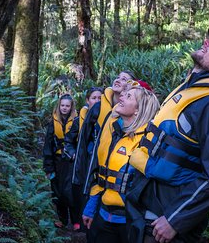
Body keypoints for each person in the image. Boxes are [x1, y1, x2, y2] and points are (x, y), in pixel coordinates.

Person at [125, 25, 209, 243]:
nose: (206, 42)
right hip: (145, 211)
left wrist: (175, 219)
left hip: (165, 222)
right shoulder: (189, 92)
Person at [82, 81, 160, 243]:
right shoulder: (114, 132)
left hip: (130, 222)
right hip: (103, 214)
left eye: (129, 96)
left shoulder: (149, 140)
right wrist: (91, 205)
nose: (122, 97)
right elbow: (102, 172)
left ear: (138, 110)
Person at [65, 71, 136, 199]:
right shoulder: (97, 108)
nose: (118, 80)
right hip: (90, 166)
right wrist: (77, 173)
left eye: (124, 79)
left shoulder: (131, 112)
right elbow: (83, 141)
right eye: (118, 77)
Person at [64, 86, 104, 231]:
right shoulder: (79, 120)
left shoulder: (106, 120)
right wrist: (72, 153)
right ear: (88, 100)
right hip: (82, 164)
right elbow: (68, 140)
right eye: (94, 98)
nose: (97, 101)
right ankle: (79, 222)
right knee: (79, 193)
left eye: (100, 98)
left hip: (98, 166)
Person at [43, 93, 80, 229]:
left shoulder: (77, 120)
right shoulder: (53, 122)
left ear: (71, 107)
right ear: (59, 106)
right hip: (57, 160)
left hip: (71, 161)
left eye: (67, 106)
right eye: (62, 105)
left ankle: (76, 221)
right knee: (57, 190)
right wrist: (48, 168)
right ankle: (63, 220)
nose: (64, 108)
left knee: (72, 190)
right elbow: (48, 146)